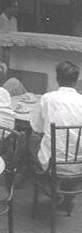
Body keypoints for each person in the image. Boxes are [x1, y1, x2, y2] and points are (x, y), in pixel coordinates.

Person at [29, 62, 82, 207]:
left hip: (52, 164)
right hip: (79, 164)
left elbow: (37, 128)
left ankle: (50, 184)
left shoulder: (47, 98)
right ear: (76, 80)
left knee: (33, 138)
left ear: (57, 79)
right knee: (74, 146)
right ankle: (69, 194)